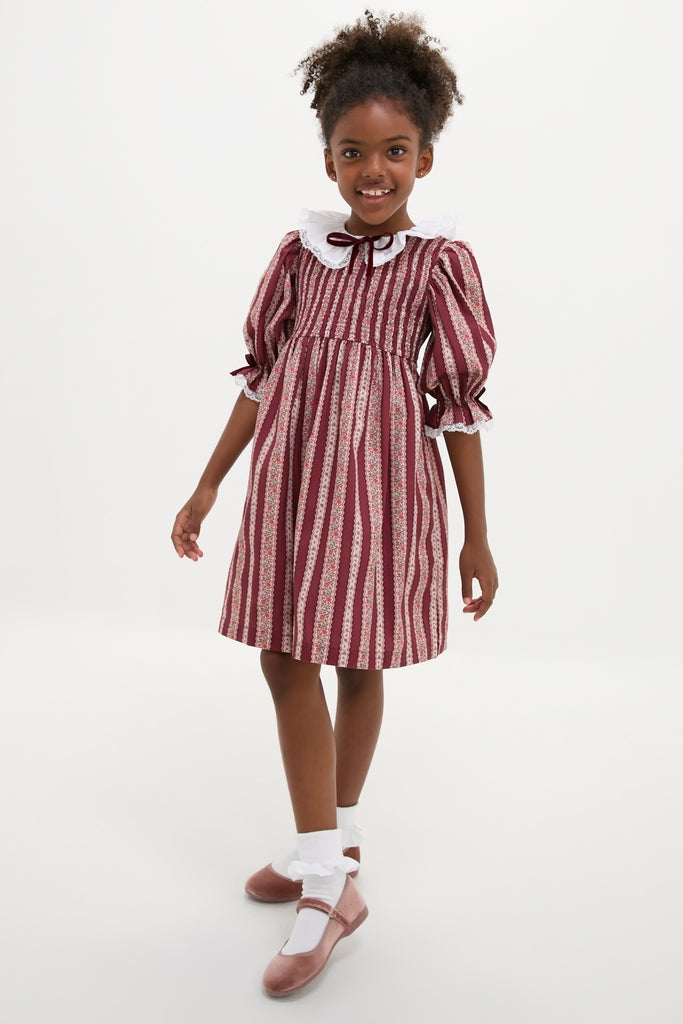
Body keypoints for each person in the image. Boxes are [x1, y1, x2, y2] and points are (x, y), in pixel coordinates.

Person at [171, 10, 498, 997]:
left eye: (393, 151)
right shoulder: (297, 258)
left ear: (424, 159)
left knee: (355, 659)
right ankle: (328, 857)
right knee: (285, 656)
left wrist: (475, 534)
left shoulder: (439, 267)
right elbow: (261, 376)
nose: (372, 171)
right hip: (296, 479)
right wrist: (208, 477)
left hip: (383, 484)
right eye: (352, 151)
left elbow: (458, 406)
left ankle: (329, 870)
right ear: (326, 159)